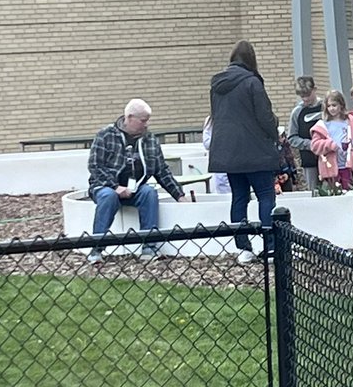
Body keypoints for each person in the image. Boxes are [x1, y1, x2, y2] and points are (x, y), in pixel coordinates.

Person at [87, 98, 186, 263]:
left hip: (136, 188)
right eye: (143, 120)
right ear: (129, 118)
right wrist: (115, 186)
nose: (146, 125)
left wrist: (179, 195)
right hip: (105, 186)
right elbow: (95, 166)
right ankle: (97, 248)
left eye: (147, 121)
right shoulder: (105, 135)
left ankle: (149, 247)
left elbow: (162, 171)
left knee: (149, 193)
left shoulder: (151, 140)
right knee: (108, 196)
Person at [208, 40, 280, 264]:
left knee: (239, 198)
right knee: (265, 196)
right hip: (255, 151)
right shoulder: (252, 83)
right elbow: (264, 117)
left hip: (228, 152)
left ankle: (243, 248)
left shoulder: (217, 84)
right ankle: (270, 247)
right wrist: (275, 130)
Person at [310, 90, 353, 190]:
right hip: (331, 166)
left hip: (347, 165)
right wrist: (330, 145)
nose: (331, 109)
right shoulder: (323, 124)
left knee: (349, 191)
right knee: (334, 193)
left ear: (341, 105)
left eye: (334, 105)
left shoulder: (349, 120)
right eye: (329, 106)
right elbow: (315, 145)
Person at [286, 76, 323, 191]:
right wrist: (310, 144)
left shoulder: (326, 106)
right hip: (309, 159)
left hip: (328, 155)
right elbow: (292, 137)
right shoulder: (297, 112)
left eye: (308, 95)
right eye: (302, 96)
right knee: (313, 190)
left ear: (315, 89)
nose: (305, 99)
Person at [202, 114, 230, 194]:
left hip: (234, 162)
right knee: (221, 186)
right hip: (219, 162)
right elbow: (206, 143)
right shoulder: (210, 120)